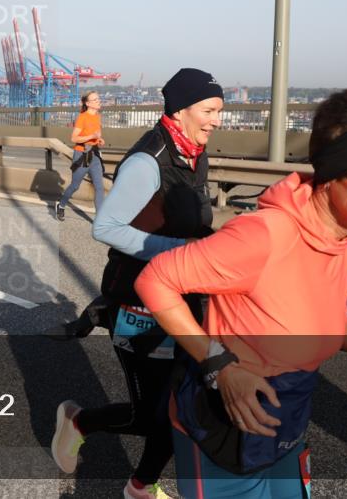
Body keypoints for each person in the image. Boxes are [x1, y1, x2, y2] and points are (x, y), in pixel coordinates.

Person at [134, 89, 347, 499]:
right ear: (335, 173)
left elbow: (313, 319)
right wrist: (220, 366)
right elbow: (154, 279)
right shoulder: (263, 236)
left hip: (286, 419)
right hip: (222, 428)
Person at [50, 68, 224, 499]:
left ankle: (140, 486)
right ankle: (78, 422)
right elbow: (106, 227)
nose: (217, 120)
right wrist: (177, 249)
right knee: (152, 417)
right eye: (209, 110)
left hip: (185, 298)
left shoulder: (193, 152)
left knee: (182, 405)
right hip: (139, 304)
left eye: (220, 111)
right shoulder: (149, 161)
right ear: (181, 110)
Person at [55, 91, 106, 221]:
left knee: (99, 187)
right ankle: (61, 205)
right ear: (88, 103)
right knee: (75, 186)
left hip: (94, 154)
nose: (98, 101)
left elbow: (96, 135)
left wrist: (99, 140)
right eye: (95, 100)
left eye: (98, 99)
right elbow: (74, 138)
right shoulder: (82, 117)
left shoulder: (98, 116)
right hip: (82, 155)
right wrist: (92, 137)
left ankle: (99, 220)